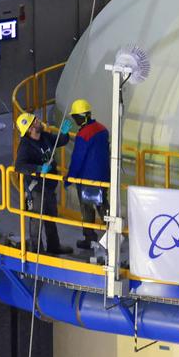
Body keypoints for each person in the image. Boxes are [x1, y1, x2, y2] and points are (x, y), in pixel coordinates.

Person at [56, 98, 110, 257]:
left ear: (81, 117)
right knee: (102, 204)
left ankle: (90, 238)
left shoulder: (84, 135)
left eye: (75, 117)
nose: (74, 120)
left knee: (89, 208)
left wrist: (69, 178)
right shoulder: (102, 129)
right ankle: (113, 234)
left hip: (87, 179)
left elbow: (78, 159)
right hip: (103, 176)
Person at [12, 112, 66, 256]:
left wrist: (64, 134)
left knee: (50, 217)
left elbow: (58, 142)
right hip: (36, 189)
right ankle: (36, 251)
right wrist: (38, 169)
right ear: (30, 128)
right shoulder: (26, 146)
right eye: (35, 120)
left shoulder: (45, 137)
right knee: (37, 219)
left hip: (49, 186)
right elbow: (19, 166)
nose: (38, 120)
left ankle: (54, 246)